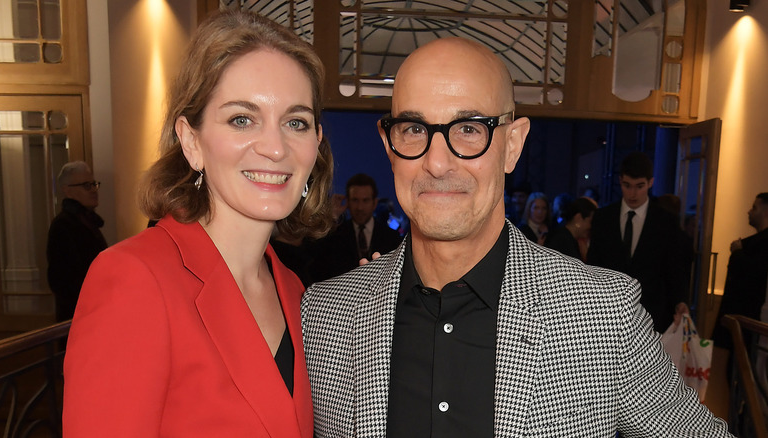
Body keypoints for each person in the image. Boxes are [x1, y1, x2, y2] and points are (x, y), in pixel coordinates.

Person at [301, 37, 731, 437]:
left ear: (512, 144)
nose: (436, 162)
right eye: (413, 129)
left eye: (469, 129)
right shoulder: (325, 317)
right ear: (389, 143)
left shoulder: (601, 316)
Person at [63, 10, 333, 437]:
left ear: (316, 145)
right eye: (242, 119)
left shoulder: (294, 289)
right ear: (191, 141)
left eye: (295, 122)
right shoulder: (135, 278)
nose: (275, 148)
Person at [587, 152, 689, 331]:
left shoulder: (665, 221)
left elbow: (674, 268)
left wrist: (680, 301)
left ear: (651, 182)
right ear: (620, 181)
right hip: (609, 313)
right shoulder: (603, 218)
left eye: (639, 186)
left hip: (651, 313)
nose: (633, 193)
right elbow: (594, 265)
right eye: (627, 186)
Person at [46, 161, 108, 322]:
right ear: (68, 191)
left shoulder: (87, 221)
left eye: (94, 184)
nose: (94, 190)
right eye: (86, 185)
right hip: (78, 316)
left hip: (95, 310)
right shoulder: (63, 226)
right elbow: (62, 281)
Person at [311, 173, 402, 281]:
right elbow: (317, 265)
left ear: (374, 203)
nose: (360, 207)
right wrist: (332, 217)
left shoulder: (392, 237)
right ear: (348, 202)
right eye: (355, 200)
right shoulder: (335, 235)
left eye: (365, 200)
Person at [712, 192, 768, 349]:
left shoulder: (761, 244)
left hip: (746, 313)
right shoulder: (755, 242)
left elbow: (753, 273)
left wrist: (737, 253)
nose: (749, 211)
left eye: (754, 208)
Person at [544, 196, 597, 261]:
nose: (591, 226)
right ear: (578, 218)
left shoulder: (565, 237)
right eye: (590, 222)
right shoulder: (562, 241)